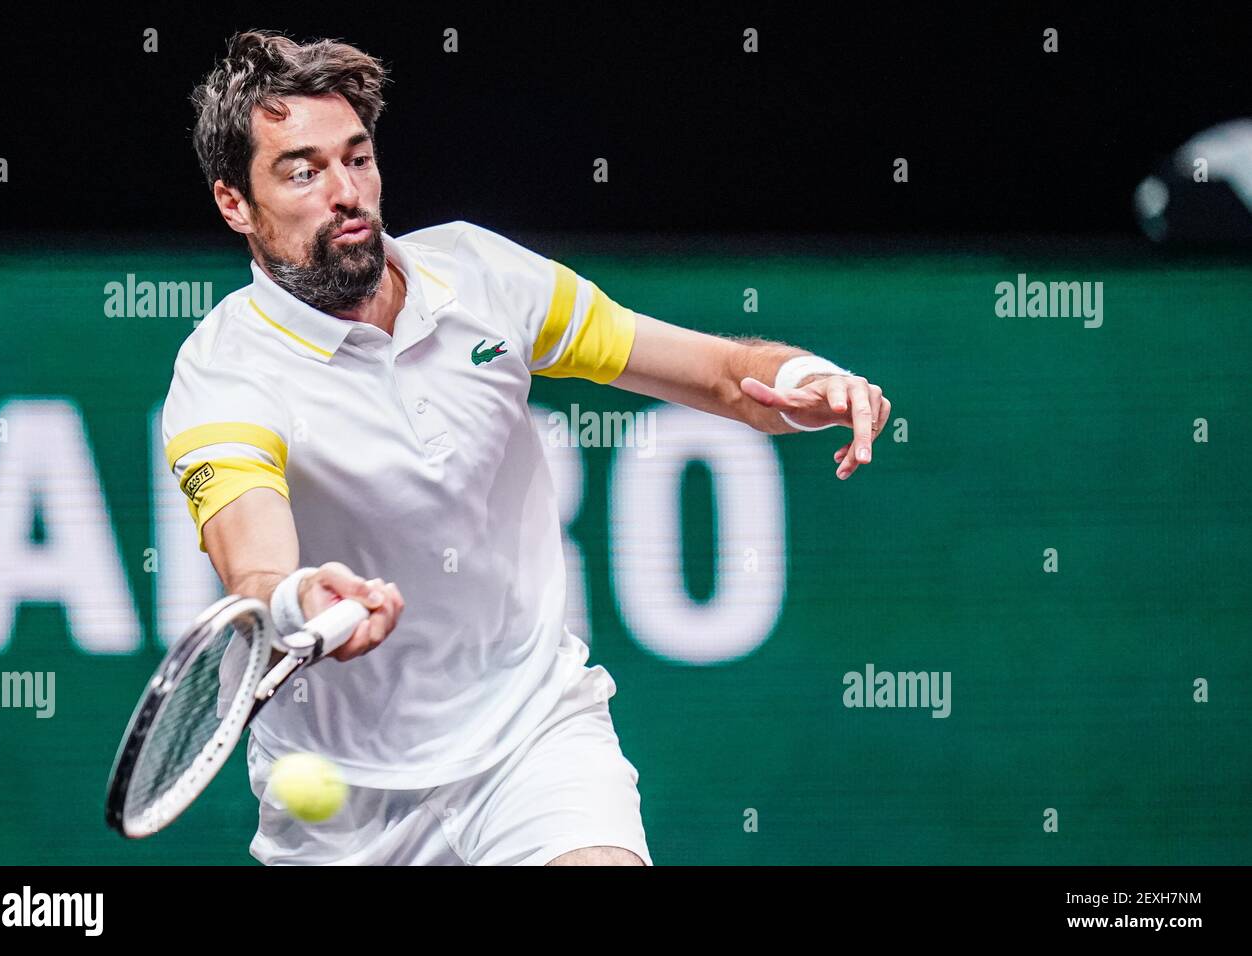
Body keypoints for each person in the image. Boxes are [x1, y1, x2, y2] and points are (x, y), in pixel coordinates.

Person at [167, 29, 891, 866]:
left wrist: (809, 379)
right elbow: (253, 569)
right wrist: (298, 601)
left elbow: (727, 377)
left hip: (531, 736)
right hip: (337, 798)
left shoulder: (482, 276)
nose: (347, 193)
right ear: (234, 203)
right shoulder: (223, 374)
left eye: (358, 158)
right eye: (302, 171)